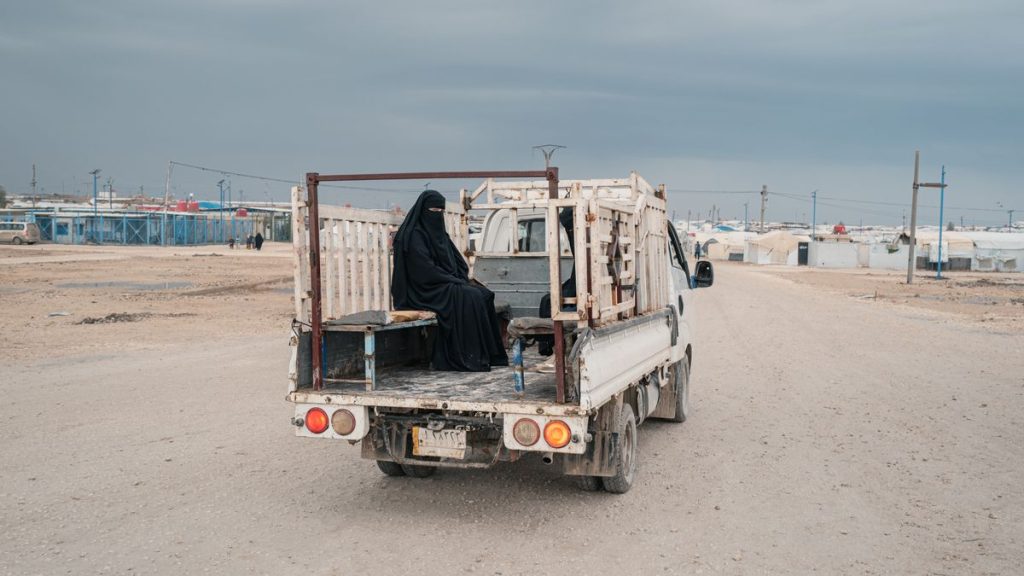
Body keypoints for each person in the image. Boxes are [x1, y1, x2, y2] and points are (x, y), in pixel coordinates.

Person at [391, 190, 508, 372]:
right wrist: (453, 280)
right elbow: (425, 271)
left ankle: (491, 355)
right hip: (423, 290)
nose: (437, 215)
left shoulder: (440, 235)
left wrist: (458, 278)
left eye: (441, 211)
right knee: (470, 297)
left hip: (442, 283)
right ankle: (466, 356)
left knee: (484, 294)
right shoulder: (414, 236)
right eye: (433, 210)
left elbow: (457, 261)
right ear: (423, 210)